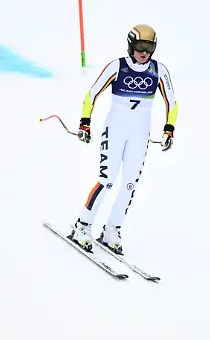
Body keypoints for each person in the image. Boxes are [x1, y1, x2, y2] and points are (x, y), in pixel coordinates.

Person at [68, 24, 178, 255]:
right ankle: (82, 226)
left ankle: (112, 230)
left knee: (129, 184)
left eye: (149, 48)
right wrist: (84, 123)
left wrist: (169, 129)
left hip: (140, 135)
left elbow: (172, 102)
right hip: (115, 131)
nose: (143, 53)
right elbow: (91, 95)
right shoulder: (117, 66)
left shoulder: (158, 71)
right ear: (130, 46)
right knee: (106, 180)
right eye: (139, 47)